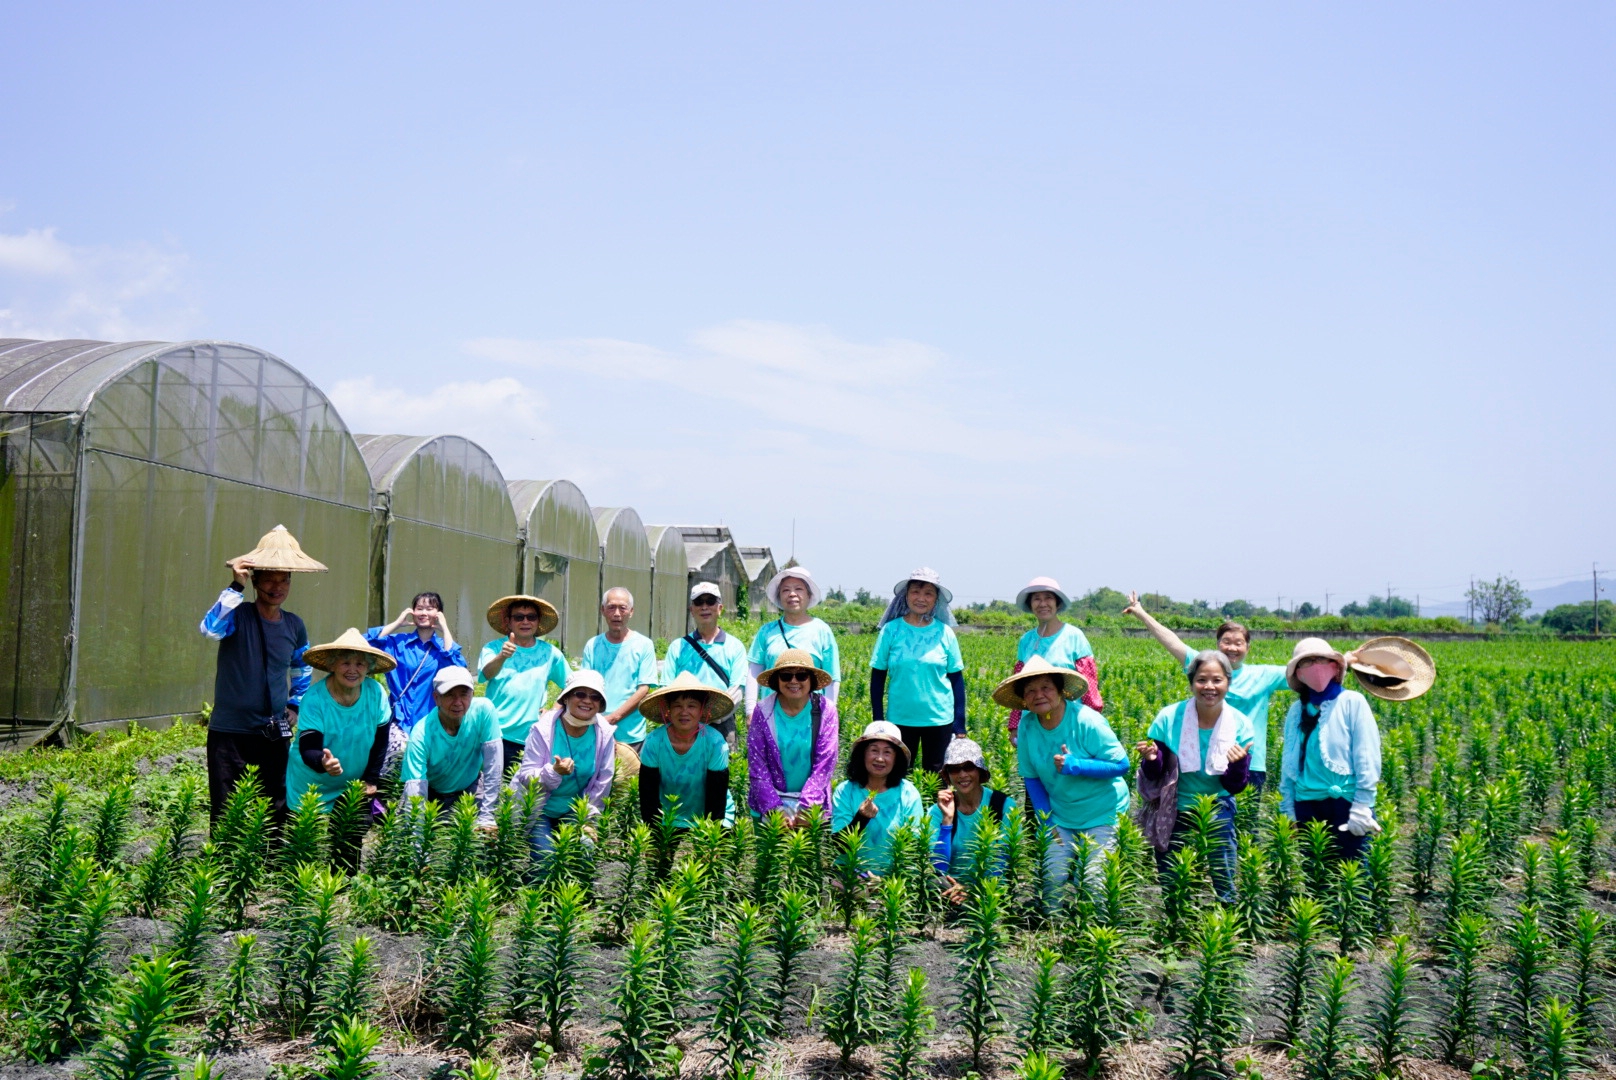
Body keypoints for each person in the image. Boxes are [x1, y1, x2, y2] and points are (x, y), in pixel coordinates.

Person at [199, 525, 323, 823]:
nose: (277, 587)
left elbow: (302, 666)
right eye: (269, 579)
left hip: (273, 732)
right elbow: (209, 629)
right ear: (255, 581)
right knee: (226, 808)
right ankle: (224, 866)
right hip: (230, 731)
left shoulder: (294, 625)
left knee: (277, 806)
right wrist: (235, 587)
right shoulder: (238, 615)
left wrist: (295, 705)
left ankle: (272, 867)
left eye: (284, 580)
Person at [995, 657, 1130, 905]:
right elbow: (1031, 778)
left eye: (1046, 687)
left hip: (1102, 811)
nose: (1039, 695)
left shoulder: (1087, 721)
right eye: (1030, 691)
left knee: (1092, 880)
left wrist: (1077, 765)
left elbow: (1122, 765)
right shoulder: (1026, 726)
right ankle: (1054, 929)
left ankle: (1094, 931)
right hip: (1062, 814)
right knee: (1052, 877)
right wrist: (1047, 822)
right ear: (1024, 700)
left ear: (1060, 690)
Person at [1124, 593, 1289, 794]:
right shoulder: (1203, 664)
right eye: (1226, 642)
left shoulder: (1264, 674)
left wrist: (1337, 662)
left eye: (1239, 643)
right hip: (1201, 765)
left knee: (1245, 824)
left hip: (1247, 762)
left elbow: (1306, 670)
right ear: (1217, 644)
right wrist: (1141, 613)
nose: (1232, 648)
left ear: (1248, 647)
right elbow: (1171, 641)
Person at [1136, 650, 1255, 903]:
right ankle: (1177, 921)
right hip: (1174, 804)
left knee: (1223, 870)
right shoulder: (1168, 718)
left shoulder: (1240, 724)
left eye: (1217, 680)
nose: (1209, 687)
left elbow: (1235, 785)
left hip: (1217, 804)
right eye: (1201, 680)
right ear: (1191, 683)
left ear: (1228, 682)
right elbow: (1155, 775)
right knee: (1173, 872)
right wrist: (1151, 759)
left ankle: (1226, 922)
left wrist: (1238, 764)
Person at [1278, 638, 1383, 860]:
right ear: (1298, 673)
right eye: (1306, 662)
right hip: (1306, 805)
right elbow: (1288, 765)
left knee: (1353, 879)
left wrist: (1363, 805)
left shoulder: (1352, 701)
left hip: (1347, 804)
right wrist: (1288, 810)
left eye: (1321, 659)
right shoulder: (1297, 711)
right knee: (1316, 878)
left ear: (1335, 666)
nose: (1315, 666)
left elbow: (1367, 756)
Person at [284, 628, 394, 811]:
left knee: (351, 834)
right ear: (332, 665)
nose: (353, 670)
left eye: (360, 664)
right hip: (311, 785)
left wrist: (371, 778)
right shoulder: (315, 698)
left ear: (368, 668)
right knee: (305, 837)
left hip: (351, 785)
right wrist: (323, 762)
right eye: (345, 663)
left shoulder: (376, 693)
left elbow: (380, 742)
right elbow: (308, 747)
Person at [870, 567, 966, 774]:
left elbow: (956, 679)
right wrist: (878, 718)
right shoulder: (891, 630)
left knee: (937, 776)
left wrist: (960, 724)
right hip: (900, 718)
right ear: (906, 595)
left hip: (939, 718)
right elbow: (878, 676)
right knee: (898, 774)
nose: (921, 598)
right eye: (916, 591)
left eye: (928, 593)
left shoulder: (945, 633)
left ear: (936, 599)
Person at [513, 669, 618, 852]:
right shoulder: (542, 730)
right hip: (540, 809)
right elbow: (526, 776)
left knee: (585, 852)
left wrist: (588, 819)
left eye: (594, 697)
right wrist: (553, 772)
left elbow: (603, 781)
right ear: (566, 698)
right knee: (545, 859)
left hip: (575, 810)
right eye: (580, 694)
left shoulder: (604, 733)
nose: (587, 700)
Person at [366, 592, 465, 762]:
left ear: (439, 614)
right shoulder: (398, 643)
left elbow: (457, 670)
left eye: (430, 608)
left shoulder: (443, 647)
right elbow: (365, 644)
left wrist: (445, 628)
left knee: (427, 766)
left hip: (430, 719)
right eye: (419, 608)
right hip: (399, 717)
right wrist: (398, 623)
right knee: (396, 760)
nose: (424, 613)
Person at [479, 595, 571, 776]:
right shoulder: (494, 648)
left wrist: (554, 711)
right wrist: (502, 657)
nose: (525, 621)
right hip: (496, 734)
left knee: (526, 790)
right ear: (508, 622)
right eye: (519, 617)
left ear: (538, 622)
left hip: (532, 736)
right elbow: (485, 675)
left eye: (531, 617)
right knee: (494, 789)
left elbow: (571, 685)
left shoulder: (550, 652)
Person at [401, 666, 503, 827]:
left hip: (471, 788)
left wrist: (487, 815)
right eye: (449, 695)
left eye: (464, 694)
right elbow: (416, 791)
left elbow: (494, 766)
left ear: (473, 694)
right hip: (433, 794)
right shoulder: (421, 734)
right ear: (436, 698)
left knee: (485, 841)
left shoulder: (484, 711)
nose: (458, 702)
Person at [1006, 577, 1104, 745]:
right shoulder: (1026, 640)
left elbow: (1089, 685)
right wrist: (1015, 725)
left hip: (1069, 720)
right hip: (1033, 719)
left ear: (1057, 604)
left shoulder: (1074, 636)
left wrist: (1093, 720)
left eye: (1048, 598)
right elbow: (1019, 684)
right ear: (1030, 605)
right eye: (1036, 599)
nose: (1043, 603)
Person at [746, 649, 840, 825]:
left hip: (812, 805)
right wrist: (774, 809)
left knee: (806, 853)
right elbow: (757, 764)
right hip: (770, 805)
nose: (794, 681)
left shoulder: (826, 710)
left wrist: (807, 807)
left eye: (802, 676)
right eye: (786, 676)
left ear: (811, 679)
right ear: (777, 680)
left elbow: (826, 762)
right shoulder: (763, 710)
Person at [636, 673, 736, 829]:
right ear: (668, 709)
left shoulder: (715, 743)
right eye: (677, 705)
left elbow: (716, 795)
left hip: (711, 812)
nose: (684, 712)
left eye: (691, 705)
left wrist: (711, 838)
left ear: (701, 709)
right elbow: (648, 794)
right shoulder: (654, 742)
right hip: (668, 814)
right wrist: (653, 834)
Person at [831, 721, 927, 873]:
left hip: (895, 880)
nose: (880, 758)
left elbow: (914, 846)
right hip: (851, 876)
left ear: (897, 758)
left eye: (887, 752)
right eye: (874, 750)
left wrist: (885, 882)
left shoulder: (908, 793)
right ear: (862, 754)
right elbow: (838, 847)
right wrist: (861, 818)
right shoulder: (845, 791)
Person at [662, 582, 750, 744]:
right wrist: (688, 716)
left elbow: (737, 690)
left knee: (722, 768)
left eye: (710, 601)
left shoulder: (735, 646)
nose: (704, 607)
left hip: (721, 725)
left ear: (720, 608)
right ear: (691, 610)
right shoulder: (678, 647)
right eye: (698, 602)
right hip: (683, 724)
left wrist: (710, 715)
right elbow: (666, 688)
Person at [748, 567, 841, 715]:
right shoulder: (766, 631)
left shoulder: (822, 631)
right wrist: (750, 710)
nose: (792, 594)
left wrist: (829, 714)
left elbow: (832, 678)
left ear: (809, 595)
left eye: (799, 589)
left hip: (812, 715)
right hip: (771, 714)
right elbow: (754, 673)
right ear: (779, 596)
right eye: (785, 590)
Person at [929, 738, 1010, 902]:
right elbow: (938, 868)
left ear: (980, 770)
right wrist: (947, 820)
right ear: (947, 775)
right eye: (954, 769)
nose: (962, 774)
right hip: (949, 888)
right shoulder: (937, 810)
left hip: (989, 889)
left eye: (968, 767)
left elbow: (1003, 860)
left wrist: (972, 891)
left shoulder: (1002, 805)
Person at [582, 588, 659, 751]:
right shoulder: (593, 645)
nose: (617, 613)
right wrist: (600, 721)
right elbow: (585, 686)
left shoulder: (644, 645)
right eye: (611, 607)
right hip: (595, 730)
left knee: (628, 775)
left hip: (630, 735)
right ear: (603, 610)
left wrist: (613, 718)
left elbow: (644, 689)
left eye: (622, 608)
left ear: (631, 612)